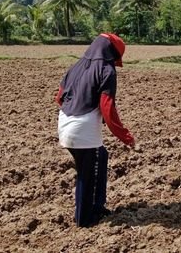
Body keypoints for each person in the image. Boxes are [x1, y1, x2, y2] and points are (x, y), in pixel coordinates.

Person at [55, 33, 135, 227]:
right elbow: (107, 107)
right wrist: (125, 136)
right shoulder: (106, 70)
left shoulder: (76, 66)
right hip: (83, 130)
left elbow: (59, 97)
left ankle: (97, 207)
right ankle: (85, 219)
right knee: (87, 172)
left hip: (65, 122)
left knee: (101, 156)